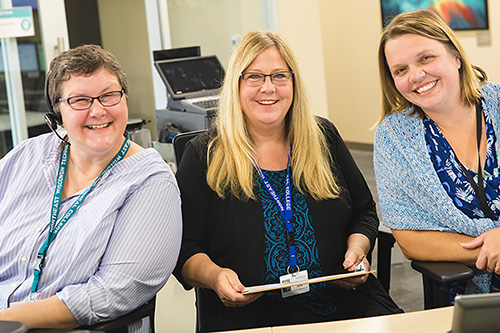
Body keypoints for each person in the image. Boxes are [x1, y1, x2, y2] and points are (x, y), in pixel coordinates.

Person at [174, 30, 402, 332]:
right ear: (236, 85)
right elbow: (186, 249)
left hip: (344, 302)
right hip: (251, 315)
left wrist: (357, 250)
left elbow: (363, 212)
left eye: (279, 76)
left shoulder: (323, 137)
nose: (268, 88)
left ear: (293, 83)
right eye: (254, 76)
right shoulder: (205, 155)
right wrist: (215, 276)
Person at [0, 45, 182, 331]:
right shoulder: (25, 158)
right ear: (57, 111)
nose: (98, 110)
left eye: (109, 95)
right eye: (80, 100)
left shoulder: (150, 182)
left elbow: (114, 291)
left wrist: (8, 320)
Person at [375, 9, 500, 296]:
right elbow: (410, 240)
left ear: (456, 56)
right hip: (469, 298)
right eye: (400, 70)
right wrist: (489, 248)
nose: (416, 76)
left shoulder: (498, 102)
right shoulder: (394, 136)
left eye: (426, 58)